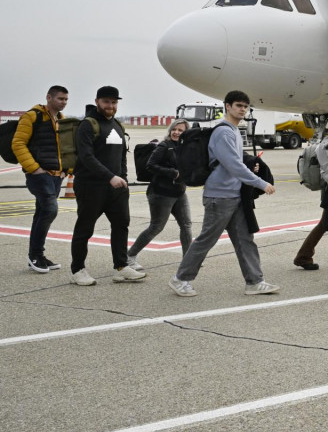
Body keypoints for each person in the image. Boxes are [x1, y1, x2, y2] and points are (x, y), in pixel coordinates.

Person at [169, 90, 279, 297]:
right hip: (219, 197)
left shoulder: (234, 131)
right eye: (238, 105)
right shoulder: (224, 132)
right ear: (227, 106)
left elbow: (237, 160)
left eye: (245, 106)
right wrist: (260, 183)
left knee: (245, 239)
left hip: (233, 195)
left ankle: (255, 282)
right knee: (207, 240)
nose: (243, 110)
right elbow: (233, 164)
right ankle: (180, 279)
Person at [69, 86, 146, 285]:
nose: (110, 105)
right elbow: (86, 157)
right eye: (106, 102)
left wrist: (123, 178)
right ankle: (77, 270)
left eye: (114, 102)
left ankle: (121, 267)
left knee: (121, 225)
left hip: (116, 187)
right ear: (97, 101)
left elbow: (121, 156)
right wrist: (110, 177)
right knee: (85, 228)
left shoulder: (117, 125)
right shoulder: (88, 125)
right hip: (90, 186)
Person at [12, 85, 69, 273]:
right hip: (39, 175)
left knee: (41, 213)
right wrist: (34, 168)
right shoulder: (32, 116)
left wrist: (66, 169)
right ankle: (36, 255)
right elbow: (18, 143)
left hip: (56, 176)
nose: (64, 102)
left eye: (66, 99)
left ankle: (37, 255)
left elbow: (66, 146)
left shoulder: (62, 119)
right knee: (50, 210)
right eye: (60, 98)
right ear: (49, 97)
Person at [125, 119, 192, 270]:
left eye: (180, 130)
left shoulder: (185, 148)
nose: (176, 132)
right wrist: (172, 173)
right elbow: (150, 165)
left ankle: (188, 260)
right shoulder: (164, 146)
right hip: (161, 193)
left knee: (186, 225)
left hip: (179, 192)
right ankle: (129, 257)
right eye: (174, 129)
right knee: (156, 227)